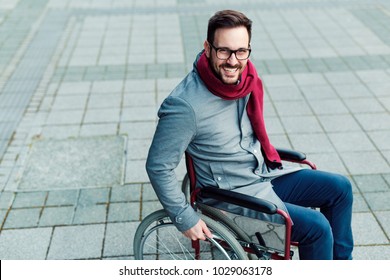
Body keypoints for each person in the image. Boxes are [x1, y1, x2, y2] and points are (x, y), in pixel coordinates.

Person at [146, 10, 353, 260]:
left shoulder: (247, 79)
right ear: (208, 48)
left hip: (262, 173)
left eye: (241, 51)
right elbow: (158, 166)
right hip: (232, 196)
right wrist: (184, 216)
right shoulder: (184, 105)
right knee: (317, 227)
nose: (233, 61)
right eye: (224, 51)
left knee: (340, 188)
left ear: (248, 49)